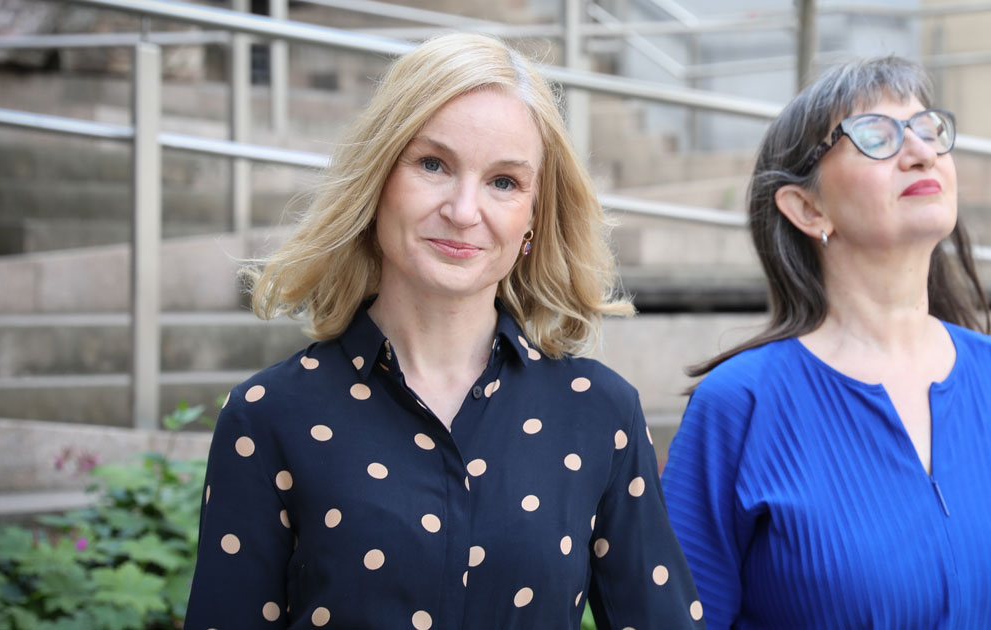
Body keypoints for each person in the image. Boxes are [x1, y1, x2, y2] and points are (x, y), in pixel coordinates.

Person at [185, 33, 704, 630]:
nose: (463, 211)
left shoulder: (600, 412)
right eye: (433, 165)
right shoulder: (267, 415)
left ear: (533, 216)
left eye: (504, 182)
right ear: (378, 180)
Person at [661, 56, 991, 630]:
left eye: (928, 129)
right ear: (807, 208)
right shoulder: (740, 405)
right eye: (876, 136)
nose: (921, 152)